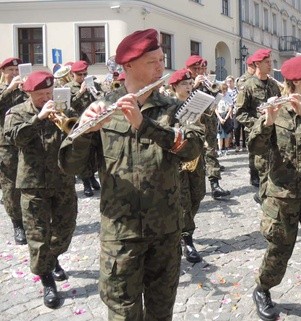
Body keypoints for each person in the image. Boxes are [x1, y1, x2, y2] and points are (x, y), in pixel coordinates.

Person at [58, 29, 205, 320]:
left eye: (162, 59)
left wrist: (145, 125)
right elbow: (74, 167)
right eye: (152, 61)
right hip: (121, 234)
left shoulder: (175, 109)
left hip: (165, 230)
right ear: (128, 66)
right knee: (123, 313)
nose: (161, 66)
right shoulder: (102, 107)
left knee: (161, 312)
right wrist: (86, 134)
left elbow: (193, 149)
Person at [249, 55, 301, 321]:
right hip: (282, 193)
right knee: (280, 248)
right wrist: (268, 122)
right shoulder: (272, 108)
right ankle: (262, 288)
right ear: (296, 82)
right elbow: (255, 148)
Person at [4, 70, 78, 308]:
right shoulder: (16, 113)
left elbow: (77, 132)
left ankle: (52, 258)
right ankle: (47, 279)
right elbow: (15, 138)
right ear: (28, 93)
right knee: (37, 236)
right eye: (41, 94)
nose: (47, 97)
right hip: (33, 184)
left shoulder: (62, 108)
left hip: (63, 180)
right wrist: (38, 119)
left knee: (65, 229)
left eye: (49, 92)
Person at [168, 68, 207, 264]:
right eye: (185, 84)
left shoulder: (196, 103)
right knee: (183, 201)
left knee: (198, 194)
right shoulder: (169, 107)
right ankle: (187, 240)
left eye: (191, 84)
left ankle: (184, 228)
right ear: (175, 87)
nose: (190, 87)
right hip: (179, 161)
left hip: (197, 158)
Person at [235, 48, 281, 203]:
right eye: (267, 62)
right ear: (257, 64)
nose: (270, 65)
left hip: (274, 133)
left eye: (271, 62)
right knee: (263, 167)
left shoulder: (273, 85)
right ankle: (265, 199)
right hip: (258, 134)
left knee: (273, 166)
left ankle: (264, 195)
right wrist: (258, 123)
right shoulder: (248, 86)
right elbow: (240, 113)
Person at [185, 55, 231, 199]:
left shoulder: (207, 82)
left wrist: (213, 90)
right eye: (195, 69)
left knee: (211, 152)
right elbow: (181, 100)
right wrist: (194, 86)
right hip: (192, 124)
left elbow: (217, 97)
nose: (199, 71)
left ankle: (215, 185)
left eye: (201, 68)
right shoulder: (184, 82)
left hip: (208, 122)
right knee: (192, 154)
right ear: (188, 69)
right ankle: (191, 188)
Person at [0, 57, 27, 245]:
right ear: (3, 72)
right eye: (11, 70)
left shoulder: (25, 90)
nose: (15, 74)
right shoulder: (4, 90)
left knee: (29, 182)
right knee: (10, 186)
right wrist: (9, 90)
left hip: (26, 142)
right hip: (6, 144)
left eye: (18, 70)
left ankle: (32, 219)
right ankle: (17, 223)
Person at [65, 60, 101, 196]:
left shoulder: (94, 85)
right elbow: (69, 106)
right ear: (72, 74)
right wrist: (81, 92)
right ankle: (86, 182)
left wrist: (95, 92)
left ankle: (92, 176)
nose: (82, 77)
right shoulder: (67, 87)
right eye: (79, 74)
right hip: (78, 125)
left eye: (85, 74)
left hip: (95, 124)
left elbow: (103, 99)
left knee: (95, 154)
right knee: (83, 154)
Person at [216, 82, 233, 156]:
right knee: (220, 135)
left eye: (225, 90)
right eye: (222, 90)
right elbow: (215, 109)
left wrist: (226, 118)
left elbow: (230, 108)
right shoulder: (218, 97)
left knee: (227, 134)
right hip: (220, 115)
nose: (223, 92)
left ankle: (226, 149)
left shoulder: (228, 97)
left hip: (226, 116)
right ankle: (220, 149)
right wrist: (220, 118)